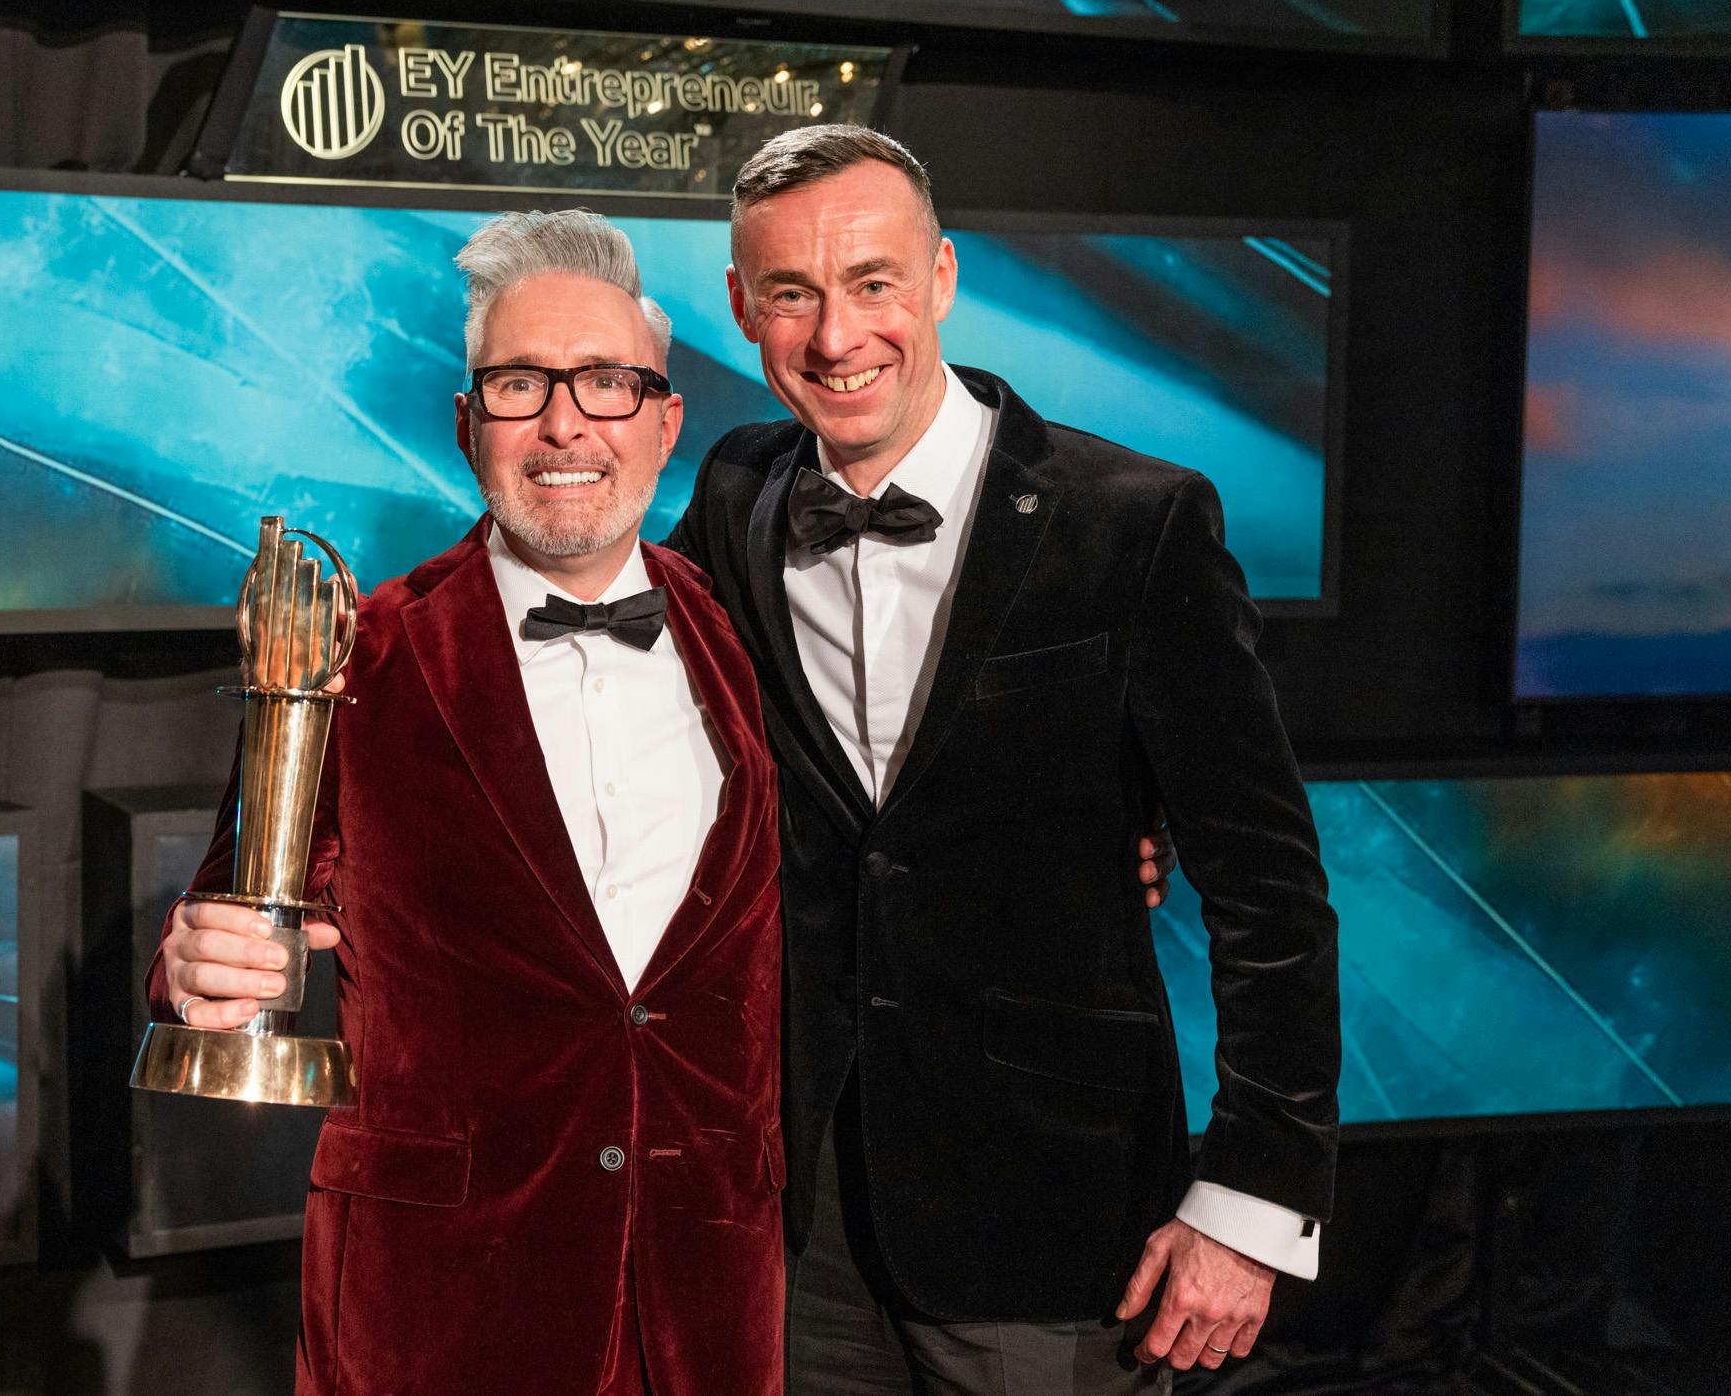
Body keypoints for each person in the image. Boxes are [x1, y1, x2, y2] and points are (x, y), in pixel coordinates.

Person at [668, 124, 1342, 1395]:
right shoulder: (737, 489)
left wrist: (1254, 1192)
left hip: (1055, 1210)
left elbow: (1270, 894)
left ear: (939, 280)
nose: (834, 336)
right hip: (801, 1208)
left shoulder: (1134, 521)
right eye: (791, 294)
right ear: (738, 307)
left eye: (870, 283)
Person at [149, 211, 786, 1396]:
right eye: (517, 384)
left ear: (663, 420)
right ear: (464, 423)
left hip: (706, 1301)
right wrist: (202, 963)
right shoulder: (363, 651)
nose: (563, 424)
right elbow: (232, 912)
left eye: (605, 381)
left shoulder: (744, 631)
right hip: (439, 1312)